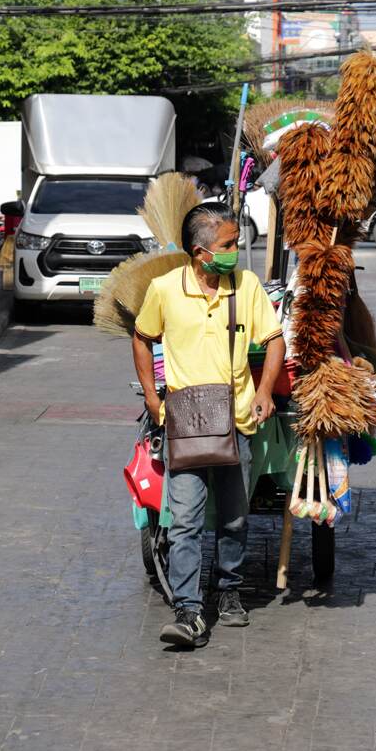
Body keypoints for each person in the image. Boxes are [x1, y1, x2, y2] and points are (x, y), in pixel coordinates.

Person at [132, 203, 285, 647]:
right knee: (184, 520)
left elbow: (274, 342)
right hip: (185, 422)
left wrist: (263, 391)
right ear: (200, 252)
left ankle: (230, 591)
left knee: (235, 518)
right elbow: (142, 339)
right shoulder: (164, 289)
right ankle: (188, 609)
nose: (236, 250)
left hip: (236, 421)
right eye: (229, 244)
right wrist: (151, 396)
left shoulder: (247, 286)